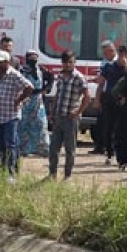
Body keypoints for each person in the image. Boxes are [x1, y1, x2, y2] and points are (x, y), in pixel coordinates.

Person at [0, 50, 33, 183]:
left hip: (10, 115)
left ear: (7, 63)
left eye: (0, 62)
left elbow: (29, 87)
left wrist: (18, 100)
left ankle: (11, 172)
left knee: (10, 144)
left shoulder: (14, 75)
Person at [47, 50, 89, 180]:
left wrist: (77, 112)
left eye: (70, 62)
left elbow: (87, 97)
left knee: (70, 149)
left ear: (74, 62)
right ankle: (52, 173)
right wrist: (51, 113)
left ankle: (67, 175)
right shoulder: (60, 77)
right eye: (65, 62)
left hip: (71, 118)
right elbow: (57, 96)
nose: (68, 65)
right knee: (54, 147)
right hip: (59, 116)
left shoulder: (79, 78)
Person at [94, 42, 127, 166]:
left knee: (122, 129)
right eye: (121, 53)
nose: (123, 56)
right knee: (108, 128)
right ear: (118, 53)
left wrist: (126, 67)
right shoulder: (109, 67)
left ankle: (122, 156)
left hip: (123, 103)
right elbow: (101, 84)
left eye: (126, 53)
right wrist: (97, 100)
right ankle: (110, 153)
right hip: (109, 101)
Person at [19, 49, 53, 157]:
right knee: (23, 124)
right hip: (26, 100)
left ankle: (43, 148)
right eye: (30, 57)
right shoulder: (22, 71)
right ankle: (24, 149)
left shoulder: (41, 70)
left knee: (40, 124)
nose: (33, 59)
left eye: (35, 57)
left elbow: (51, 77)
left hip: (38, 101)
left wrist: (46, 88)